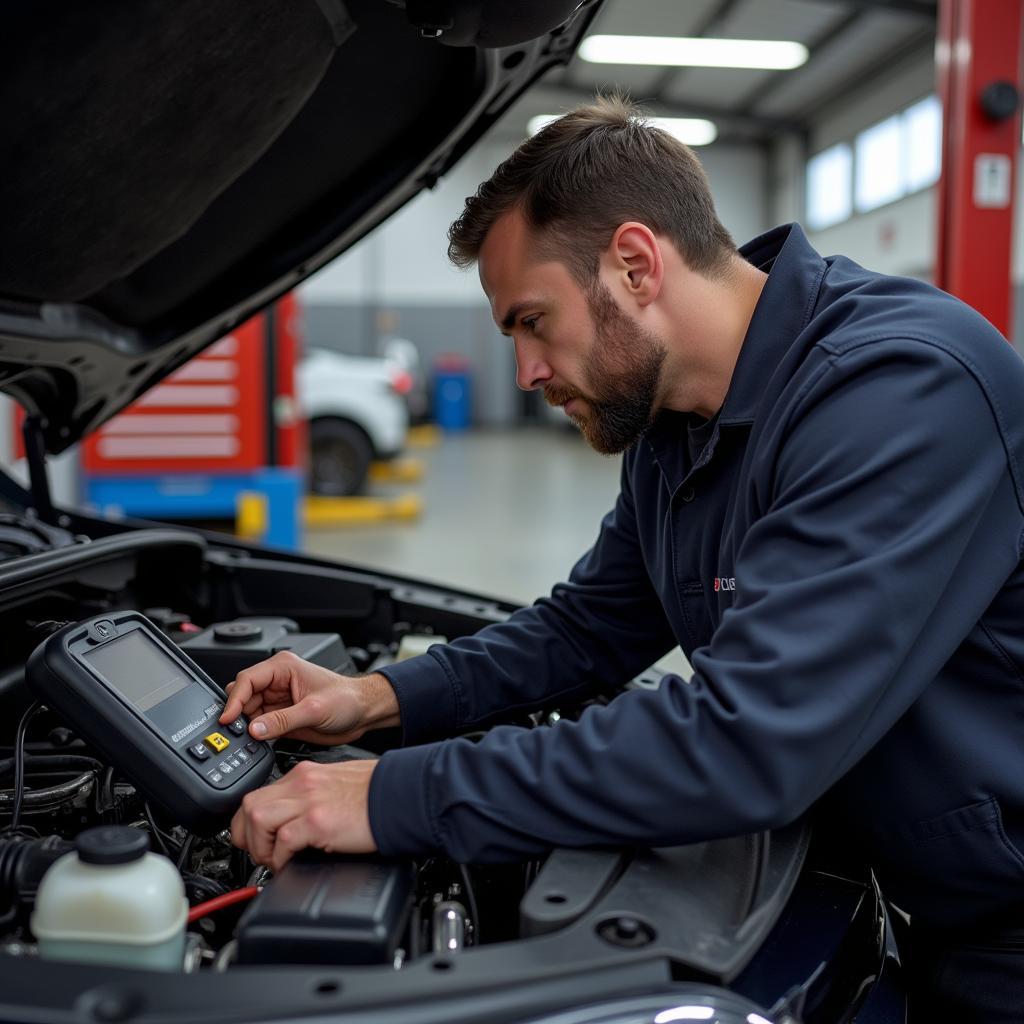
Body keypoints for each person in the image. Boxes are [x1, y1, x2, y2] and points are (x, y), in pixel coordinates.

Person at [223, 97, 1024, 1018]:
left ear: (635, 265)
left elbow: (746, 742)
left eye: (532, 321)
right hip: (901, 889)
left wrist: (396, 795)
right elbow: (589, 626)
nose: (525, 372)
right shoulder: (673, 421)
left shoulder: (902, 389)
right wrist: (383, 699)